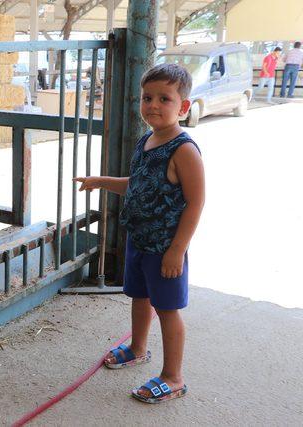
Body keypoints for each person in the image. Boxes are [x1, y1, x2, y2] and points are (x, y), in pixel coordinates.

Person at [74, 63, 205, 403]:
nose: (154, 106)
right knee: (139, 297)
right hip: (139, 240)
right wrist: (101, 181)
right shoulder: (146, 140)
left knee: (167, 309)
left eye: (165, 98)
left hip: (165, 248)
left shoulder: (184, 150)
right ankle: (137, 348)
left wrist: (177, 250)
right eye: (148, 97)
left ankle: (173, 376)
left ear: (184, 106)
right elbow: (141, 185)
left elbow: (195, 203)